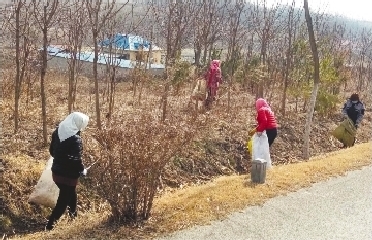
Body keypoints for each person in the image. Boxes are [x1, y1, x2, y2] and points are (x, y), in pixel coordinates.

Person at [45, 112, 89, 231]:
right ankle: (50, 226)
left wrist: (61, 160)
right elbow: (76, 160)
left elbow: (52, 151)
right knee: (63, 201)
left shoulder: (58, 131)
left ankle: (73, 216)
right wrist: (82, 170)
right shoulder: (75, 139)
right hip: (68, 176)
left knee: (70, 193)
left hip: (56, 173)